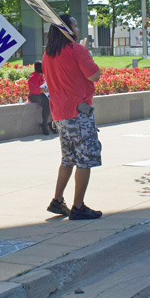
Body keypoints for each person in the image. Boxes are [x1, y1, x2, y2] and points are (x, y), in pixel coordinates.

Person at [41, 14, 103, 220]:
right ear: (66, 29)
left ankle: (57, 200)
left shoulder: (48, 55)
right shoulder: (77, 50)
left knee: (68, 159)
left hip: (60, 114)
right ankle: (78, 206)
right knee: (85, 160)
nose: (77, 30)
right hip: (79, 113)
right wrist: (84, 53)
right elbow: (94, 75)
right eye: (74, 26)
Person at [27, 61, 56, 135]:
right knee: (47, 104)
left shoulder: (43, 76)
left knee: (54, 102)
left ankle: (51, 123)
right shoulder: (33, 77)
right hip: (34, 96)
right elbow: (34, 90)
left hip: (43, 94)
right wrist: (46, 90)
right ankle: (44, 124)